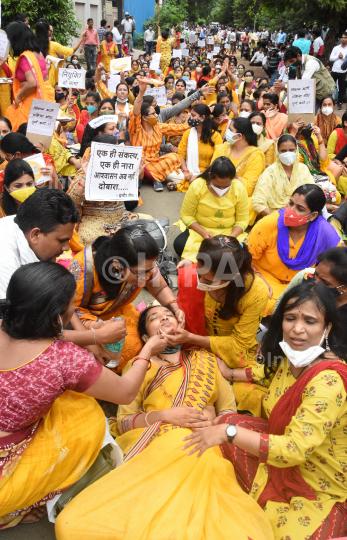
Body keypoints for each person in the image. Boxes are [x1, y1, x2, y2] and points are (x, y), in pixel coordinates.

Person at [55, 303, 274, 540]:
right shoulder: (139, 366)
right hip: (154, 449)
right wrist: (163, 416)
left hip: (202, 447)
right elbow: (125, 421)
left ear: (181, 325)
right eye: (154, 318)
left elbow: (228, 410)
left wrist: (212, 423)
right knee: (71, 525)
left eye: (169, 315)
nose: (164, 319)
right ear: (145, 336)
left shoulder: (206, 360)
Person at [0, 261, 164, 529]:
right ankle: (19, 506)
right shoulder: (64, 360)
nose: (74, 309)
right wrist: (148, 352)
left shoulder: (12, 322)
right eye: (71, 306)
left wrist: (94, 336)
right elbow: (125, 393)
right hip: (7, 464)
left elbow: (49, 336)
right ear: (57, 317)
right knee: (88, 417)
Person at [183, 281, 347, 540]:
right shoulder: (292, 357)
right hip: (281, 451)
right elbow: (263, 372)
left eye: (310, 321)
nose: (297, 329)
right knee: (222, 423)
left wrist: (229, 432)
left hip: (316, 480)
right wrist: (228, 373)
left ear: (327, 328)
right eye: (290, 318)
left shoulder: (328, 381)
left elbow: (295, 449)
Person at [69, 225, 185, 372]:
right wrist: (97, 331)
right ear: (117, 265)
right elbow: (71, 311)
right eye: (140, 273)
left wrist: (175, 308)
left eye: (150, 270)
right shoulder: (83, 269)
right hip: (89, 324)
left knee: (150, 337)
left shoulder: (144, 263)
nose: (147, 278)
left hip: (120, 313)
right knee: (127, 355)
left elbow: (160, 288)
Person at [174, 235, 269, 416]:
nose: (200, 283)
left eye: (209, 282)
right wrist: (177, 309)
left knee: (255, 397)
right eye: (199, 275)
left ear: (232, 277)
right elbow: (181, 300)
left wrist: (191, 338)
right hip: (198, 343)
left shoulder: (256, 292)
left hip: (234, 351)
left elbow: (239, 344)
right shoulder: (197, 273)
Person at [248, 184, 341, 316]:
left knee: (308, 306)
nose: (290, 210)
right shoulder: (270, 223)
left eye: (300, 208)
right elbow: (245, 258)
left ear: (313, 215)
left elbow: (340, 264)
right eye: (290, 203)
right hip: (265, 276)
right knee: (258, 297)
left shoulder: (325, 233)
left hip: (303, 283)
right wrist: (258, 279)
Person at [174, 157, 248, 264]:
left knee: (248, 248)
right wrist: (204, 233)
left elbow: (243, 220)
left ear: (233, 180)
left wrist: (231, 238)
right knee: (180, 244)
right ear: (209, 176)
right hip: (201, 231)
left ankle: (206, 260)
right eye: (217, 186)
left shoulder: (239, 188)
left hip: (229, 232)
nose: (222, 190)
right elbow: (186, 215)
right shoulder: (197, 185)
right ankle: (219, 260)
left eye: (226, 186)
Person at [129, 78, 188, 192]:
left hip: (156, 164)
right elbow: (136, 113)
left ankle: (154, 177)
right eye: (154, 113)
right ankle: (157, 178)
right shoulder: (136, 129)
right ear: (145, 117)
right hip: (141, 165)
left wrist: (194, 120)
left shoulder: (158, 127)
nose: (157, 115)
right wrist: (141, 92)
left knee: (174, 156)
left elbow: (179, 129)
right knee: (142, 165)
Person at [275, 248, 347, 336]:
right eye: (316, 274)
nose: (315, 283)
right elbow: (280, 306)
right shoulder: (304, 277)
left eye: (325, 283)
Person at [211, 117, 265, 225]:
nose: (227, 132)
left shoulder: (255, 155)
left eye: (231, 130)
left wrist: (231, 174)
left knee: (251, 204)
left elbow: (249, 188)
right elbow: (211, 173)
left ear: (240, 136)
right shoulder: (222, 148)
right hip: (217, 189)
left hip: (239, 196)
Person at [5, 22, 55, 131]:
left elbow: (32, 82)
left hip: (29, 102)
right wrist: (20, 82)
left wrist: (18, 97)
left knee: (13, 119)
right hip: (44, 97)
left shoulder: (25, 57)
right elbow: (42, 78)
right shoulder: (38, 53)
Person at [252, 135, 314, 218]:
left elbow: (312, 194)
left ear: (296, 150)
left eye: (291, 150)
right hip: (276, 216)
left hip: (301, 215)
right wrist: (276, 216)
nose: (288, 153)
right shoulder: (270, 172)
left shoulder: (303, 169)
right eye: (283, 151)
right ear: (277, 151)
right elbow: (257, 202)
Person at [175, 104, 223, 193]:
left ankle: (192, 181)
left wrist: (201, 175)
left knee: (215, 178)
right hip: (188, 171)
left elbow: (217, 160)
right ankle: (190, 181)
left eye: (193, 115)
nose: (190, 118)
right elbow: (181, 154)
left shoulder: (216, 136)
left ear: (202, 117)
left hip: (207, 172)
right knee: (169, 173)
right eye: (190, 115)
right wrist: (185, 171)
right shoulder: (188, 133)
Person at [292, 121, 341, 206]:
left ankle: (323, 206)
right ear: (298, 128)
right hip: (299, 177)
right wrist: (293, 132)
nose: (309, 128)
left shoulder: (311, 140)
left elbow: (324, 160)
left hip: (316, 174)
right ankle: (325, 207)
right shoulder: (289, 140)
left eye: (309, 125)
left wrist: (319, 137)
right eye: (305, 126)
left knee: (337, 196)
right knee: (314, 196)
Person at [283, 46, 335, 114]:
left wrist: (285, 86)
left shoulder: (311, 62)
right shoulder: (299, 64)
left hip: (325, 91)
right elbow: (298, 80)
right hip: (313, 92)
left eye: (292, 61)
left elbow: (304, 82)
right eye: (289, 62)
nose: (291, 64)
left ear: (298, 55)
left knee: (327, 113)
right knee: (311, 115)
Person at [329, 31, 347, 110]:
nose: (343, 39)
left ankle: (339, 102)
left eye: (345, 38)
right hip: (335, 69)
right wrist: (338, 56)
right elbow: (331, 58)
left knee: (342, 87)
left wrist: (343, 57)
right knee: (331, 86)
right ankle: (330, 101)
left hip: (343, 71)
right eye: (342, 37)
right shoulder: (336, 48)